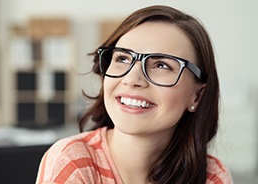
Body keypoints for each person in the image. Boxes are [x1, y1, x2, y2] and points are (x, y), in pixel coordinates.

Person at [36, 5, 233, 184]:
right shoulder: (73, 162)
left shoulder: (212, 175)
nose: (132, 78)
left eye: (161, 65)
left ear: (197, 96)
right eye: (122, 58)